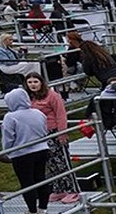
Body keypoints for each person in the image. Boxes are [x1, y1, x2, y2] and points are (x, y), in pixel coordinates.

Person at [24, 74, 80, 204]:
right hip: (39, 135)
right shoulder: (28, 97)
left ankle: (73, 190)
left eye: (35, 82)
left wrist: (62, 133)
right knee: (50, 163)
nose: (33, 85)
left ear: (41, 82)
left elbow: (61, 114)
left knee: (62, 162)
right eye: (30, 82)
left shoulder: (52, 96)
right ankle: (59, 189)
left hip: (54, 132)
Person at [1, 88, 53, 214]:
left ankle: (32, 211)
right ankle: (43, 208)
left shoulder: (10, 117)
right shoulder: (38, 113)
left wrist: (7, 151)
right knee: (40, 178)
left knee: (27, 182)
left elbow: (8, 137)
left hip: (22, 153)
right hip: (42, 149)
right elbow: (44, 129)